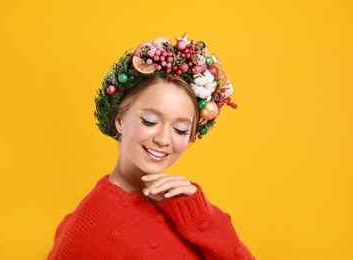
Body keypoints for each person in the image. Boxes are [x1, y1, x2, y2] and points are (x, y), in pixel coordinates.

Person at [48, 33, 255, 260]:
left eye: (180, 129)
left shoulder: (183, 203)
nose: (164, 139)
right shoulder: (88, 229)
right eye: (149, 121)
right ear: (119, 120)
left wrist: (197, 212)